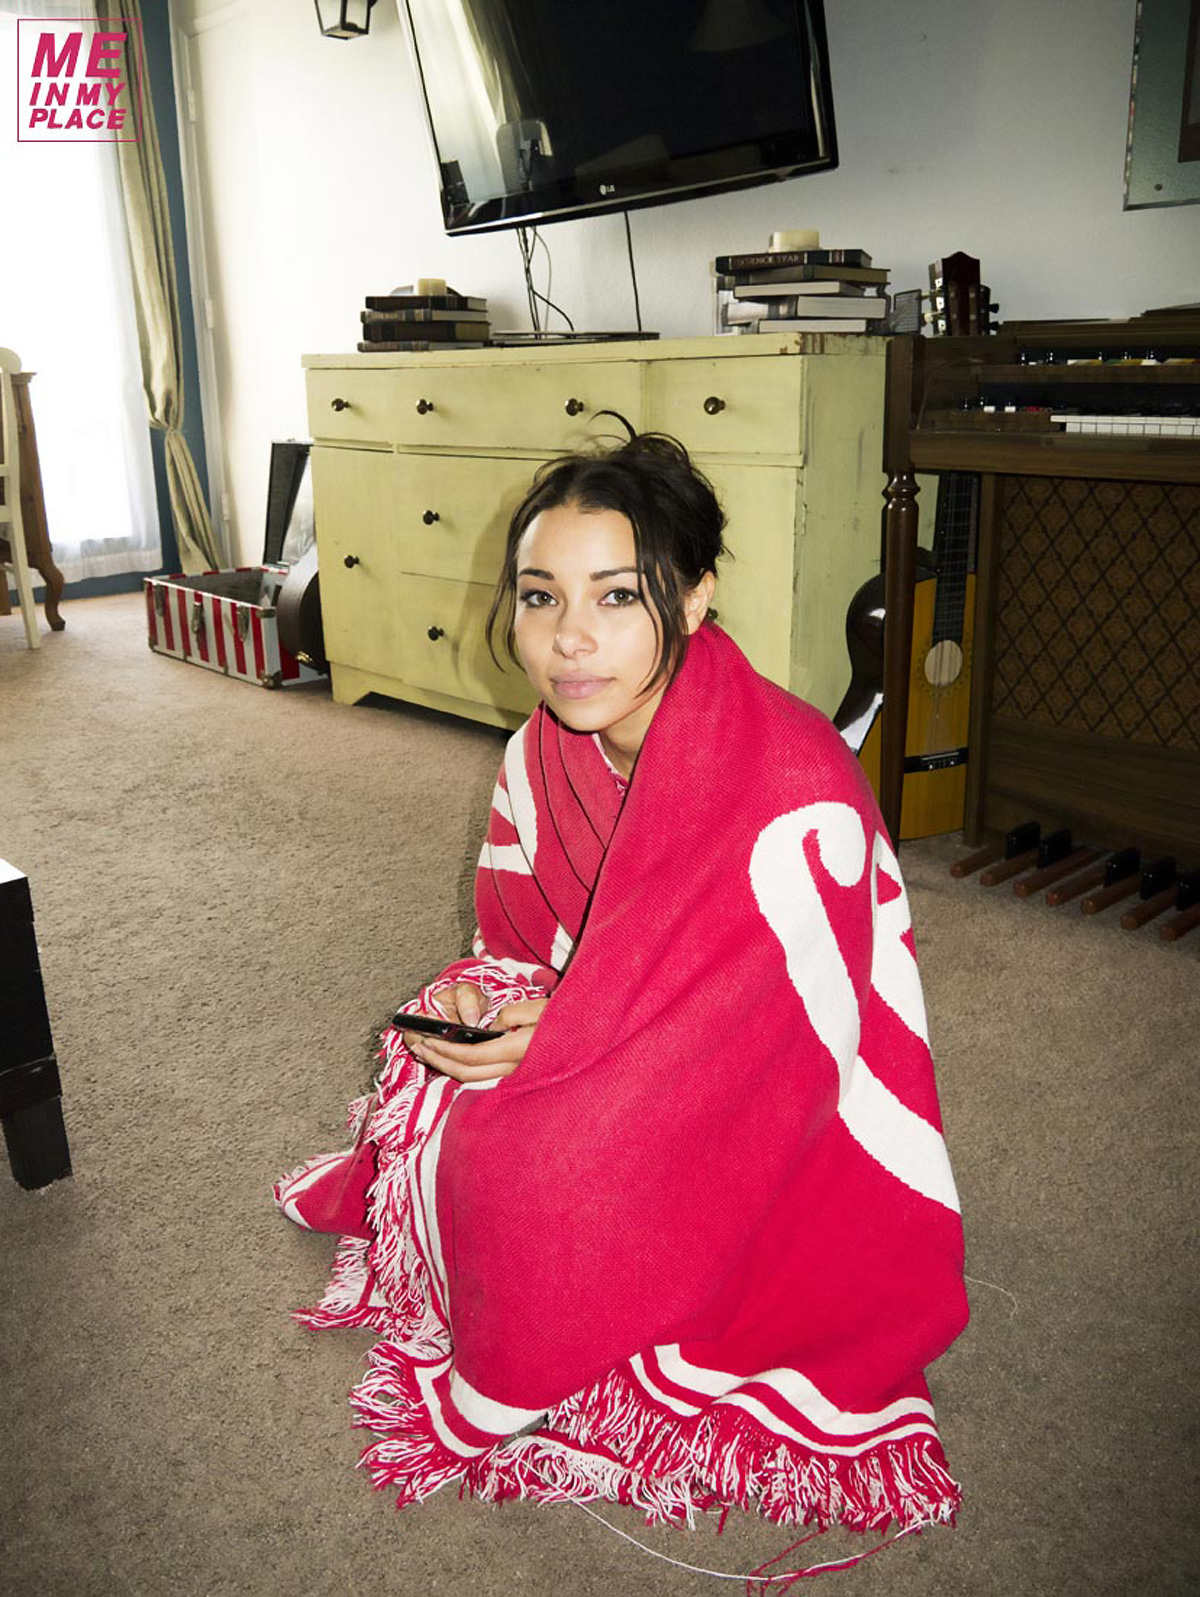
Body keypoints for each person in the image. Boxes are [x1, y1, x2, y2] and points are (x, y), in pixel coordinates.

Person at [276, 429, 968, 1553]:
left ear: (694, 598)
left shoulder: (790, 778)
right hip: (608, 1024)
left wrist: (571, 1036)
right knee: (430, 1059)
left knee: (535, 1178)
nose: (570, 637)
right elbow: (520, 938)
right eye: (540, 596)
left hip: (757, 1092)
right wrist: (507, 1009)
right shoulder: (541, 749)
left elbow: (784, 1028)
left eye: (617, 595)